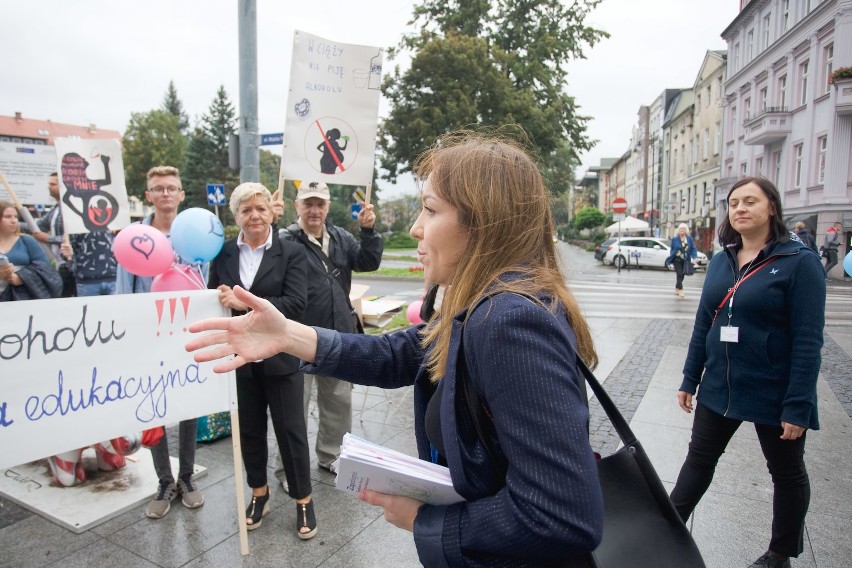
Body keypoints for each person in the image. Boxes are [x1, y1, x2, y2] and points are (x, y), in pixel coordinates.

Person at [186, 132, 605, 567]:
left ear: (482, 221)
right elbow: (396, 354)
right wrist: (287, 335)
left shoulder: (509, 322)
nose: (415, 228)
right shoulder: (484, 305)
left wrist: (427, 520)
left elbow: (562, 515)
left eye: (429, 208)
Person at [669, 177, 825, 568]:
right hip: (720, 385)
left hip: (774, 390)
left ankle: (780, 553)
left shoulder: (799, 262)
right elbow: (705, 323)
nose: (739, 208)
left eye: (750, 201)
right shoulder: (721, 260)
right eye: (734, 202)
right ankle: (667, 526)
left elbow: (808, 340)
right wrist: (691, 378)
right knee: (698, 462)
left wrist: (798, 405)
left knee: (786, 472)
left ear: (772, 206)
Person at [208, 182, 317, 539]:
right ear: (236, 216)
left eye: (260, 208)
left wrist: (246, 302)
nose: (254, 215)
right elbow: (212, 300)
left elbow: (296, 305)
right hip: (239, 356)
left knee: (291, 431)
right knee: (249, 430)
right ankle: (259, 493)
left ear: (271, 212)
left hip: (280, 356)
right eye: (245, 210)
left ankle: (304, 498)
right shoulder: (222, 253)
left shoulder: (292, 253)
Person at [115, 166, 205, 519]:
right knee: (153, 409)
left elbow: (205, 285)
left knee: (187, 408)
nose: (165, 193)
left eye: (172, 188)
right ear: (148, 194)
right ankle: (163, 480)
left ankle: (187, 477)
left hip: (187, 336)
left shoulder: (196, 233)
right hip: (148, 338)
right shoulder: (133, 237)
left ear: (182, 194)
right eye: (158, 188)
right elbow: (123, 291)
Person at [277, 181, 383, 474]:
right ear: (297, 205)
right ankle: (290, 468)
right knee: (294, 407)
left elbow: (367, 262)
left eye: (320, 204)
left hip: (337, 334)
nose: (314, 210)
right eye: (308, 203)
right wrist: (271, 225)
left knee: (338, 401)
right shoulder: (285, 239)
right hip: (297, 335)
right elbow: (268, 264)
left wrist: (368, 231)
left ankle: (332, 456)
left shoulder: (341, 236)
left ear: (327, 207)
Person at [0, 201, 62, 301]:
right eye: (8, 217)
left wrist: (21, 277)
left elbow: (47, 271)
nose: (14, 221)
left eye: (15, 216)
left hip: (20, 300)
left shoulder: (27, 242)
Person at [31, 172, 76, 297]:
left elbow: (75, 237)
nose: (49, 187)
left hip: (71, 265)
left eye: (53, 184)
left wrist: (48, 238)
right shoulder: (55, 209)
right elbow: (38, 226)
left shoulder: (72, 208)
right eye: (49, 184)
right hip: (60, 264)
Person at [664, 223, 698, 298]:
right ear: (678, 230)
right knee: (679, 274)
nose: (682, 230)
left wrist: (695, 257)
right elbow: (672, 249)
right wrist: (673, 254)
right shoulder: (674, 239)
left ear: (686, 230)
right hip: (677, 259)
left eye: (683, 229)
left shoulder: (689, 239)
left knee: (682, 275)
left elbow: (693, 248)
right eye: (680, 229)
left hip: (686, 260)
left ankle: (677, 286)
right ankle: (681, 289)